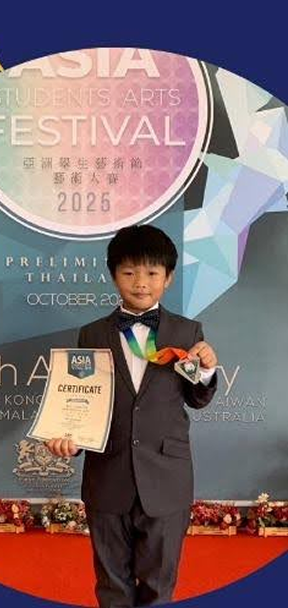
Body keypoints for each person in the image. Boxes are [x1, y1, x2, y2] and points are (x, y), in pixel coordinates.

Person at [46, 224, 218, 608]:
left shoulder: (188, 332)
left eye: (152, 273)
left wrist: (205, 370)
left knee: (159, 584)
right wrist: (70, 440)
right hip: (107, 474)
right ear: (113, 276)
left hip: (167, 476)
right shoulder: (90, 334)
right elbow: (83, 398)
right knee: (112, 584)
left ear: (169, 278)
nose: (141, 283)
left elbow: (197, 398)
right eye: (129, 273)